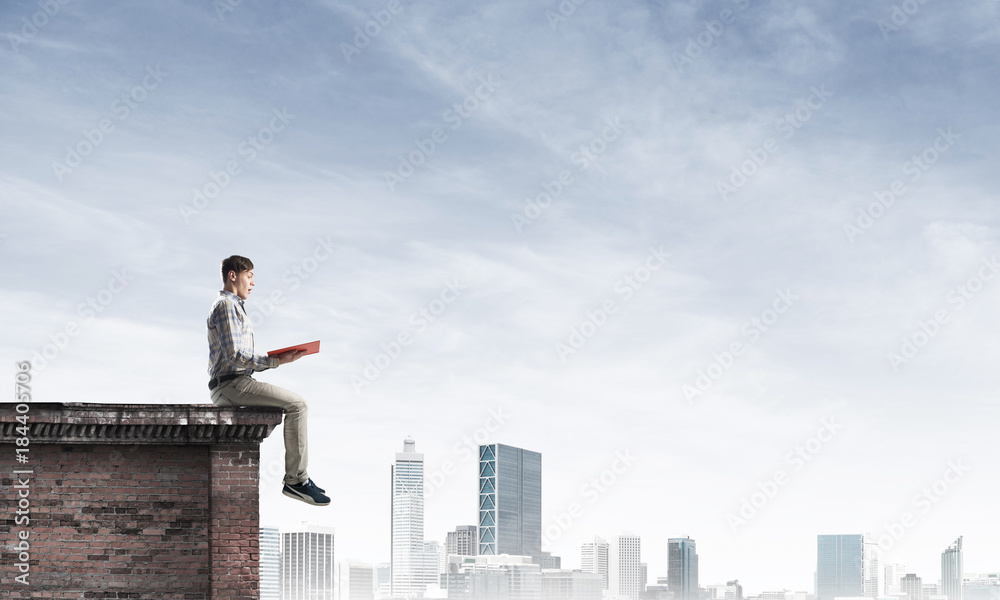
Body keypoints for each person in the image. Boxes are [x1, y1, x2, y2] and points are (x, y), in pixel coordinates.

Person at [206, 255, 329, 506]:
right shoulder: (226, 305)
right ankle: (296, 481)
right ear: (233, 275)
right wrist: (277, 361)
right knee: (298, 405)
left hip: (233, 382)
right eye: (249, 276)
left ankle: (298, 479)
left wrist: (278, 358)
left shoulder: (234, 307)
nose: (252, 283)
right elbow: (236, 356)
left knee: (297, 404)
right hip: (232, 384)